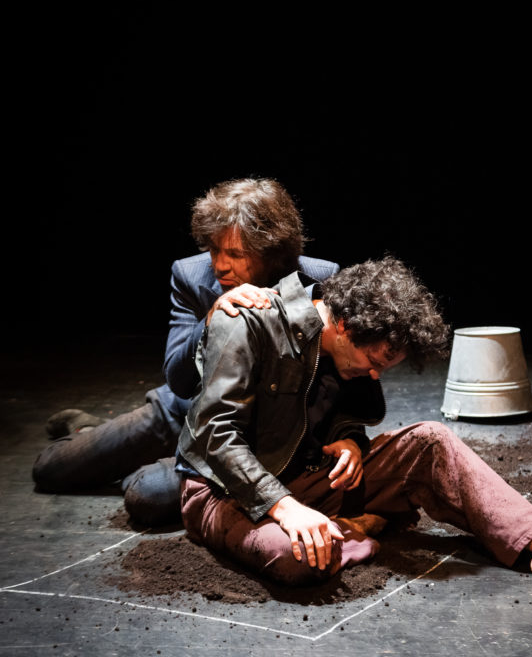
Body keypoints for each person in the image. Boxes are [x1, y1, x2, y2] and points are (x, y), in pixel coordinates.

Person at [177, 256, 532, 588]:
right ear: (345, 326)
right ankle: (351, 528)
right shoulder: (249, 321)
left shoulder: (345, 354)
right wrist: (285, 507)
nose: (375, 374)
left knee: (430, 441)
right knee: (297, 557)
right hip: (224, 494)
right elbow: (215, 433)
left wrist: (348, 441)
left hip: (305, 477)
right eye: (375, 361)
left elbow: (333, 412)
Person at [32, 177, 339, 525]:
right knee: (50, 470)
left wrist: (346, 438)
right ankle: (90, 429)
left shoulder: (317, 280)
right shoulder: (191, 275)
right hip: (182, 409)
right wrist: (211, 317)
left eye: (235, 254)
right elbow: (178, 380)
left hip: (245, 433)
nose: (220, 265)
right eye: (214, 250)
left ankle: (156, 464)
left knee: (148, 495)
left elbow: (334, 380)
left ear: (270, 252)